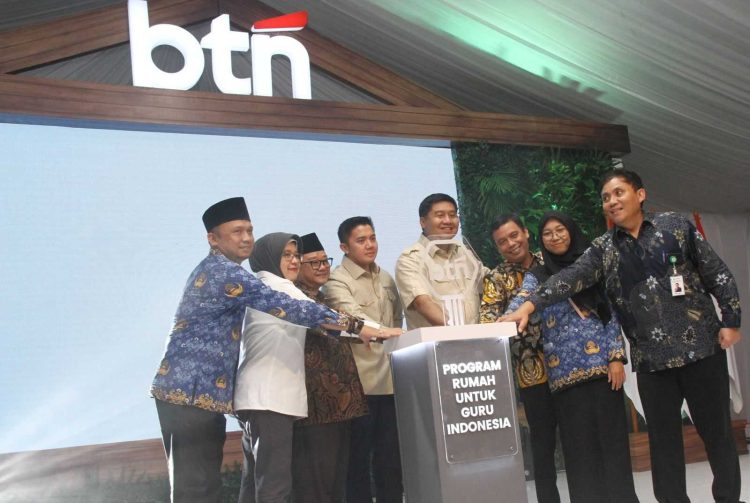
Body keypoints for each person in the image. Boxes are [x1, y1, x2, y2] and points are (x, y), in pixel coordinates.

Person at [502, 169, 743, 503]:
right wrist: (529, 305)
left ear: (640, 195)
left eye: (618, 193)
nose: (612, 201)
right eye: (606, 198)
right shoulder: (603, 248)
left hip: (701, 349)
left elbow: (716, 272)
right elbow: (569, 278)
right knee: (663, 444)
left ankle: (728, 498)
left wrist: (731, 320)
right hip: (651, 362)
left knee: (717, 434)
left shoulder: (676, 226)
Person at [151, 198, 386, 503]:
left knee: (205, 486)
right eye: (237, 231)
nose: (246, 238)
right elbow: (289, 307)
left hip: (201, 396)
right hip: (188, 393)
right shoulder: (223, 272)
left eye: (249, 230)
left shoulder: (226, 271)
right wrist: (356, 326)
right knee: (196, 488)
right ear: (213, 238)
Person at [506, 211, 638, 503]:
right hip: (563, 378)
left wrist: (616, 357)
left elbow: (611, 313)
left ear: (571, 231)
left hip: (604, 372)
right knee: (580, 456)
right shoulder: (538, 275)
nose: (555, 237)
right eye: (547, 233)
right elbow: (522, 300)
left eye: (560, 230)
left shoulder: (592, 265)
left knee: (613, 448)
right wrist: (503, 319)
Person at [480, 214, 560, 503]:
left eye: (514, 235)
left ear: (526, 233)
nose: (511, 244)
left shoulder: (550, 262)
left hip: (568, 364)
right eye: (503, 241)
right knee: (543, 444)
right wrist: (509, 319)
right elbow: (487, 321)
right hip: (531, 371)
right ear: (497, 247)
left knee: (580, 439)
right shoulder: (496, 278)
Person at [323, 217, 404, 503]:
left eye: (372, 238)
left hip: (390, 381)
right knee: (356, 463)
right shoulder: (336, 282)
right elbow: (355, 320)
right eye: (361, 240)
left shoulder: (386, 278)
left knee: (391, 461)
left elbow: (397, 322)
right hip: (357, 386)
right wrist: (384, 332)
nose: (370, 245)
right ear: (344, 247)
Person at [291, 232, 369, 503]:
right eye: (314, 262)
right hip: (316, 411)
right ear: (297, 265)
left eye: (325, 261)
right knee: (315, 487)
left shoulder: (323, 298)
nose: (322, 267)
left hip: (340, 408)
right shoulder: (297, 301)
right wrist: (376, 331)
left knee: (337, 485)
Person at [395, 193, 484, 329]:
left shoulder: (465, 253)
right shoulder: (410, 259)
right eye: (440, 215)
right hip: (438, 341)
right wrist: (459, 333)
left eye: (452, 215)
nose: (448, 221)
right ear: (423, 222)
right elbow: (422, 303)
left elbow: (491, 284)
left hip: (479, 338)